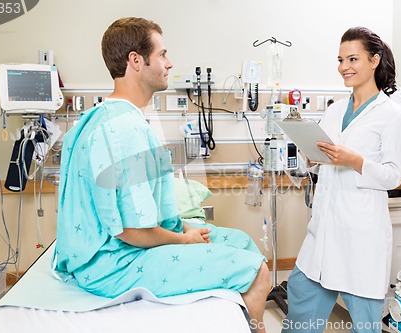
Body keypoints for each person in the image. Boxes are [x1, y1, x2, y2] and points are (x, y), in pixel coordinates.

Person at [51, 17, 270, 332]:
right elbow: (131, 230)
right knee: (258, 271)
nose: (170, 63)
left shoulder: (101, 117)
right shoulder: (124, 128)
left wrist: (185, 229)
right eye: (163, 54)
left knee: (240, 241)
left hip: (106, 252)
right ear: (136, 61)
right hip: (114, 264)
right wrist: (183, 240)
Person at [282, 27, 401, 333]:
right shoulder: (334, 111)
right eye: (340, 59)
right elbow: (321, 162)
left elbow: (393, 176)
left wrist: (354, 161)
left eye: (353, 58)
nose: (344, 67)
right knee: (300, 313)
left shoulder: (393, 116)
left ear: (374, 61)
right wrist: (310, 158)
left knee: (364, 325)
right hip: (323, 233)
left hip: (360, 239)